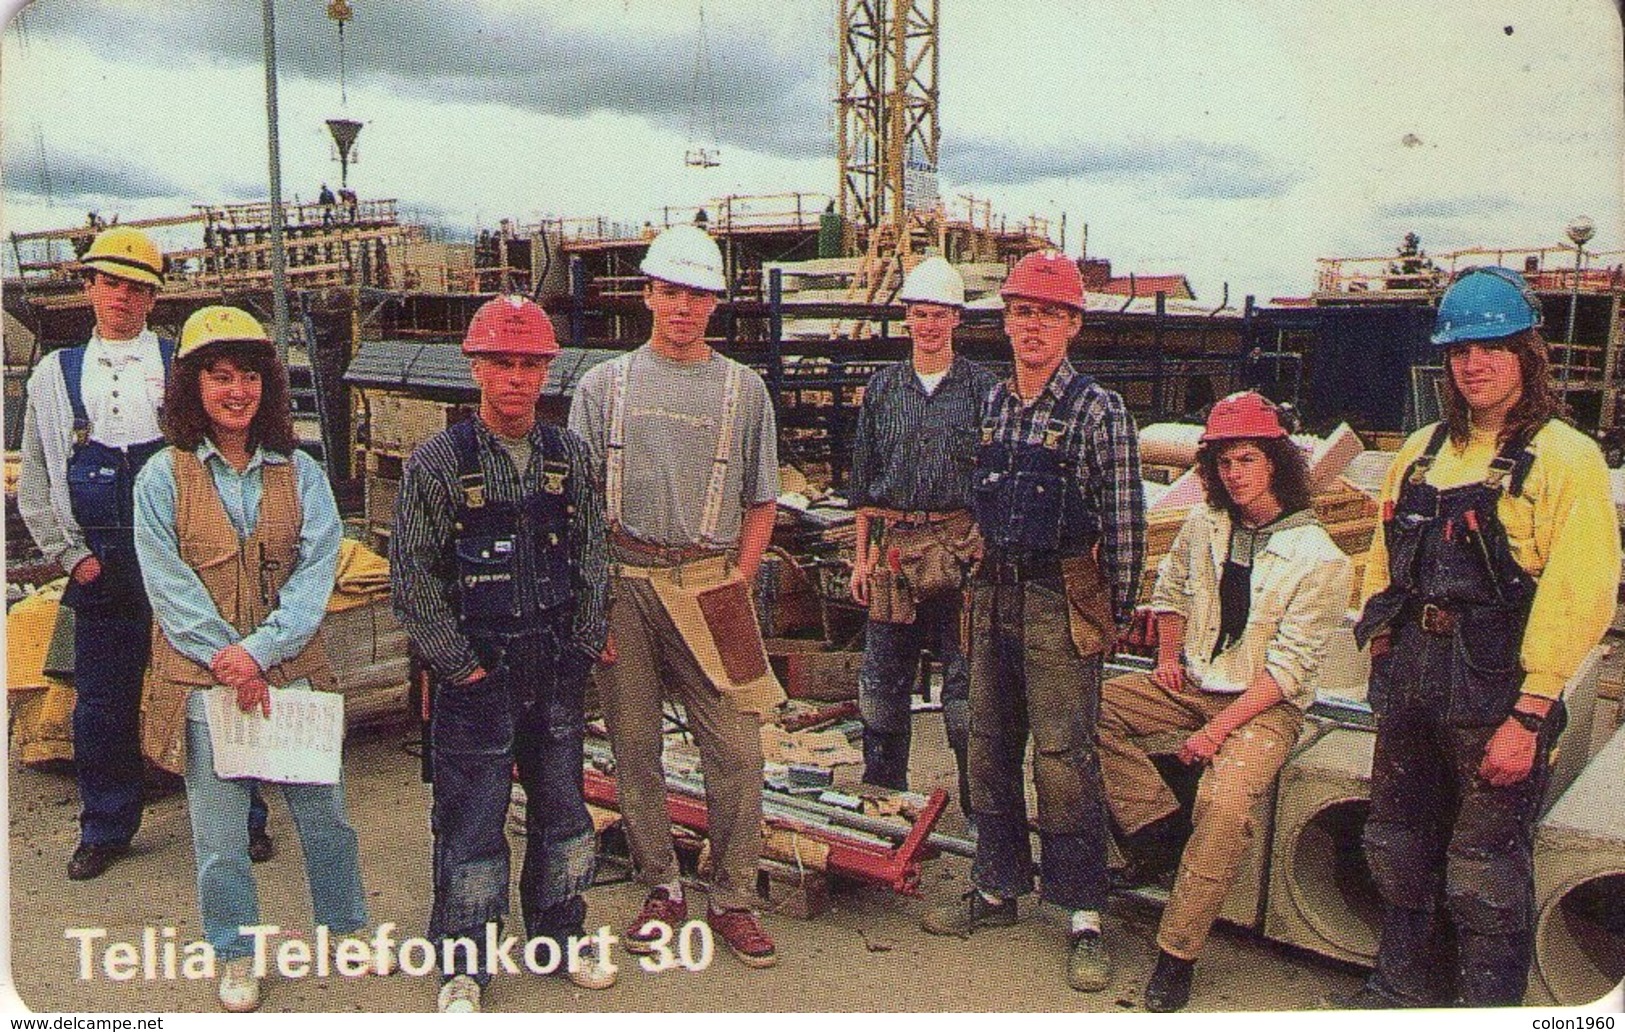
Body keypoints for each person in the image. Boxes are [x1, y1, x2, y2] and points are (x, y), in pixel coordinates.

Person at [1351, 267, 1620, 1008]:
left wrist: (1529, 715)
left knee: (1483, 867)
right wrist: (1382, 650)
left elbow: (1581, 591)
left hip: (1495, 689)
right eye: (1460, 351)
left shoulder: (1566, 457)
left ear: (1527, 356)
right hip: (1412, 678)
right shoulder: (1420, 451)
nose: (1474, 365)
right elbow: (1382, 562)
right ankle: (1397, 993)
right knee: (1397, 844)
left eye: (1492, 348)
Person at [131, 306, 380, 1012]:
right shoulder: (160, 478)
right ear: (193, 387)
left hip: (293, 674)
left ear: (268, 386)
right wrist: (228, 658)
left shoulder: (300, 472)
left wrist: (262, 651)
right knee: (219, 838)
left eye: (248, 377)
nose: (235, 391)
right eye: (219, 377)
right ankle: (235, 954)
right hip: (203, 684)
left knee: (325, 816)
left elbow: (315, 570)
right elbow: (168, 584)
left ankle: (343, 925)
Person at [18, 227, 274, 883]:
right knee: (102, 706)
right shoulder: (56, 375)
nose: (123, 298)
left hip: (187, 563)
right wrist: (73, 557)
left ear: (154, 297)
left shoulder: (181, 367)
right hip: (104, 568)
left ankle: (244, 821)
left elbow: (224, 456)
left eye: (137, 287)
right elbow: (41, 480)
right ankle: (106, 828)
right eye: (112, 283)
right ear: (89, 287)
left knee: (218, 689)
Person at [922, 250, 1145, 993]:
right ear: (1006, 321)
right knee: (985, 745)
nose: (1033, 327)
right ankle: (995, 889)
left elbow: (1123, 522)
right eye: (1022, 312)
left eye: (1049, 313)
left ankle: (1083, 914)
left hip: (1059, 600)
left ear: (1073, 325)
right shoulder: (992, 403)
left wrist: (1107, 614)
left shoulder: (1097, 411)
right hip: (992, 595)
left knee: (1063, 758)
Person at [569, 224, 784, 969]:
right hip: (624, 582)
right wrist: (591, 601)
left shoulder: (742, 390)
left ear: (716, 303)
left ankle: (731, 898)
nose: (683, 306)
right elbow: (576, 506)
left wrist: (742, 580)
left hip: (711, 584)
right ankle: (661, 884)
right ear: (648, 295)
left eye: (697, 294)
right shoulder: (603, 387)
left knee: (738, 749)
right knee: (635, 746)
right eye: (671, 291)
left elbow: (762, 501)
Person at [392, 296, 614, 1012]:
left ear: (548, 372)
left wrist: (581, 645)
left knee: (563, 814)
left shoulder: (569, 456)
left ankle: (561, 935)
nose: (516, 379)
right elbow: (412, 577)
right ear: (476, 367)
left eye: (530, 365)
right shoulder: (438, 463)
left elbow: (594, 559)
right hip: (475, 672)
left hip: (553, 664)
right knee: (471, 822)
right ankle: (463, 963)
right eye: (501, 364)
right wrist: (459, 666)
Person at [1098, 391, 1353, 1011]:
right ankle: (1156, 828)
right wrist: (1165, 659)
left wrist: (1217, 732)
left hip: (1262, 706)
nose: (1233, 474)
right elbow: (1172, 587)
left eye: (1246, 460)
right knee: (1093, 707)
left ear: (1276, 463)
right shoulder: (1205, 522)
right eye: (1222, 463)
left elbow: (1287, 673)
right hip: (1196, 682)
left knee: (1223, 801)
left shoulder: (1321, 558)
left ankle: (1176, 953)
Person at [847, 255, 994, 815]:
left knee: (967, 685)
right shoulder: (883, 390)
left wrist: (988, 549)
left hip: (962, 548)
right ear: (906, 318)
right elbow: (864, 483)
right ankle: (883, 798)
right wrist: (862, 559)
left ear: (957, 319)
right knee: (883, 678)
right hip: (894, 549)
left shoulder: (984, 390)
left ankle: (981, 810)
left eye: (939, 314)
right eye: (919, 313)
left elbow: (994, 475)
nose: (928, 325)